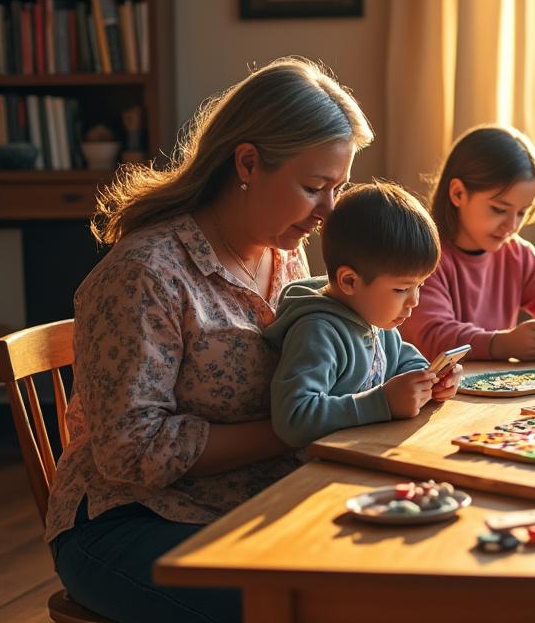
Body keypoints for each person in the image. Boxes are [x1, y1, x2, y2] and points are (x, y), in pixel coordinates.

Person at [46, 57, 374, 623]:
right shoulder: (145, 273)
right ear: (247, 162)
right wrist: (301, 426)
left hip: (253, 497)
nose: (329, 211)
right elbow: (131, 450)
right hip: (130, 523)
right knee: (319, 605)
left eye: (336, 188)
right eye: (315, 187)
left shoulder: (283, 252)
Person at [266, 182, 461, 449]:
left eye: (420, 286)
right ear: (349, 281)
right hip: (321, 472)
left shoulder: (376, 321)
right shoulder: (316, 332)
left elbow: (404, 362)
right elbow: (294, 419)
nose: (414, 301)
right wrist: (383, 403)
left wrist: (430, 381)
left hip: (368, 451)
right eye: (402, 289)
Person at [399, 125, 535, 361]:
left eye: (521, 213)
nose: (511, 226)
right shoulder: (422, 255)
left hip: (495, 394)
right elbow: (433, 337)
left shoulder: (516, 254)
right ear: (458, 193)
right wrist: (502, 344)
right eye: (499, 209)